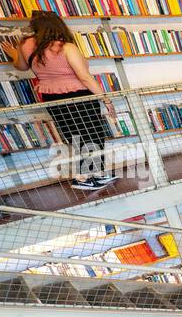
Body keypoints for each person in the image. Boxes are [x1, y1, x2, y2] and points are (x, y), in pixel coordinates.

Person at [11, 10, 115, 191]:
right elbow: (84, 77)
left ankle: (92, 176)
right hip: (78, 95)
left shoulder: (26, 45)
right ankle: (83, 177)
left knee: (73, 135)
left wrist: (14, 53)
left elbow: (21, 66)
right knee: (93, 133)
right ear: (59, 25)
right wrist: (107, 100)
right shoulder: (66, 47)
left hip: (51, 98)